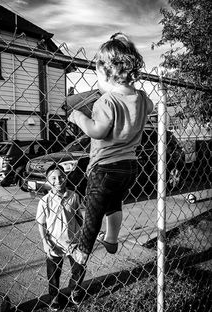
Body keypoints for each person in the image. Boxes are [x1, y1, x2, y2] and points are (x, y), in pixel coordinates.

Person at [68, 32, 154, 265]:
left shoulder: (106, 102)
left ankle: (83, 251)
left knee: (94, 206)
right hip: (129, 167)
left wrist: (77, 117)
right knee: (114, 203)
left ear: (108, 73)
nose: (97, 81)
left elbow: (97, 131)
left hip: (104, 167)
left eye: (97, 74)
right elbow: (150, 105)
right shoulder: (143, 98)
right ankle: (112, 239)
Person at [36, 164, 86, 311]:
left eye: (61, 176)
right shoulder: (44, 201)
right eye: (53, 178)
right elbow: (41, 224)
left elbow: (78, 217)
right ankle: (54, 298)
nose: (58, 180)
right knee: (53, 275)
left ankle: (74, 290)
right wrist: (45, 242)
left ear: (66, 178)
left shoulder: (74, 196)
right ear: (48, 181)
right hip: (54, 244)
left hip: (73, 242)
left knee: (79, 269)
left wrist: (83, 235)